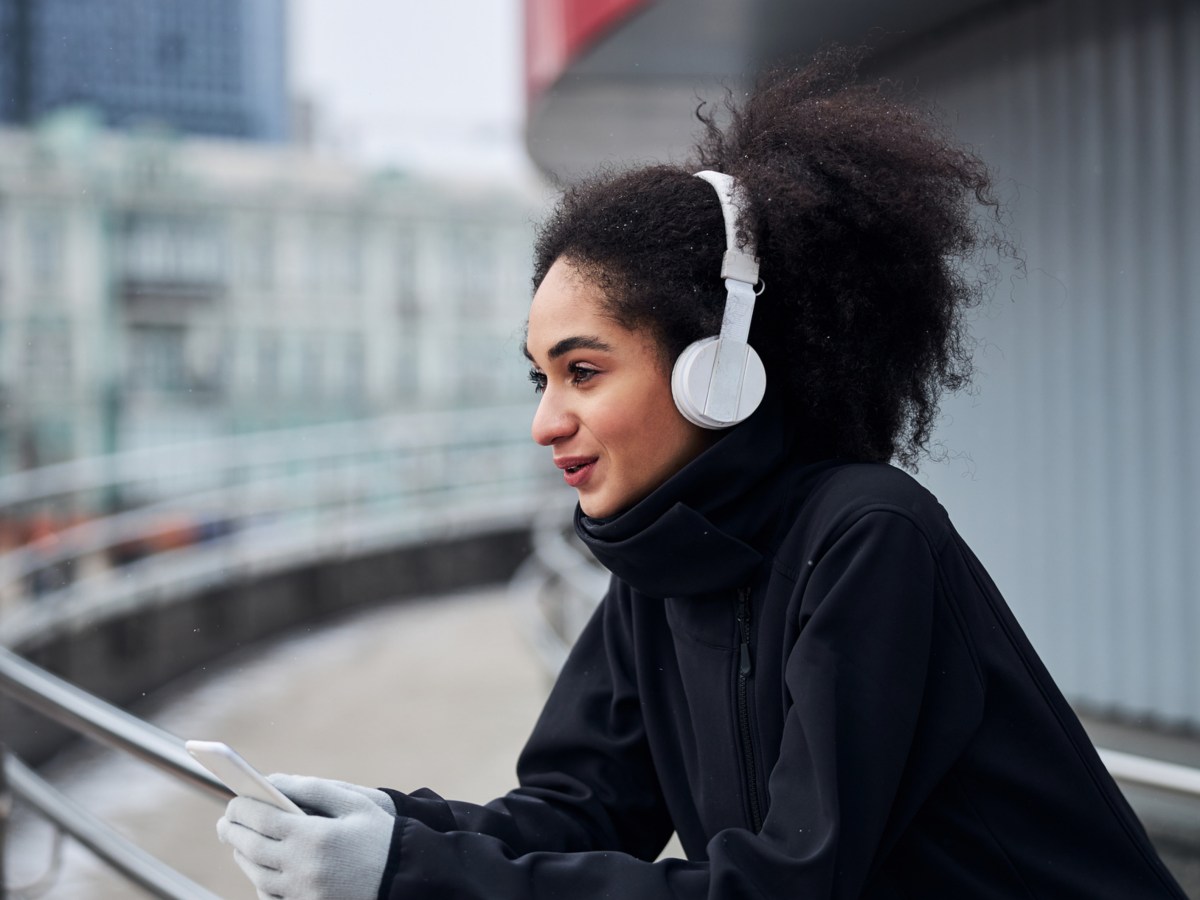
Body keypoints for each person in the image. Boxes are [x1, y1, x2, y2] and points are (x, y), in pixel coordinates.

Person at [216, 48, 1187, 899]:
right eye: (539, 375)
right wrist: (393, 830)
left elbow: (785, 887)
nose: (546, 420)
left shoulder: (868, 539)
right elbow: (581, 815)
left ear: (715, 370)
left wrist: (409, 877)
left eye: (583, 371)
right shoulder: (664, 566)